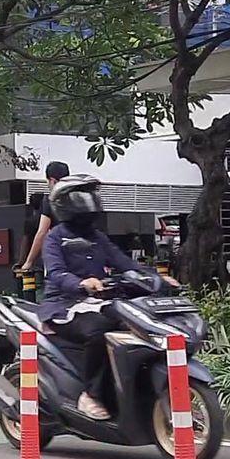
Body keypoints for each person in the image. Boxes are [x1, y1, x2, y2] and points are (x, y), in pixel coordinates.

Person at [40, 176, 179, 420]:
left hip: (99, 303)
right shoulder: (54, 238)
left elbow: (125, 264)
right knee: (98, 333)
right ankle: (90, 395)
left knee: (136, 325)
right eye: (80, 197)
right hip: (64, 306)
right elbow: (57, 273)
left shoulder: (98, 237)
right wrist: (81, 283)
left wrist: (156, 278)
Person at [18, 161, 71, 274]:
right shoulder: (78, 196)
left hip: (59, 255)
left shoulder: (50, 200)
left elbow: (42, 231)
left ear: (52, 180)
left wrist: (28, 262)